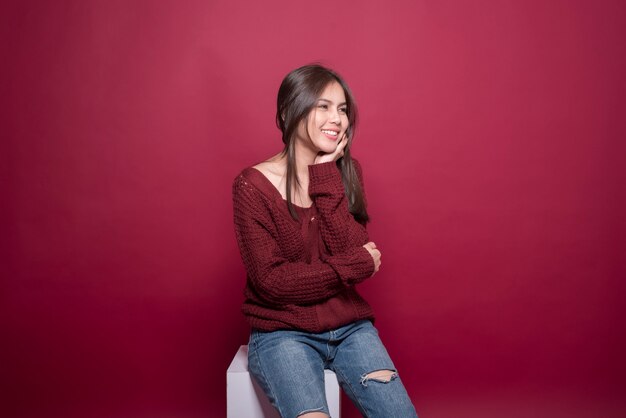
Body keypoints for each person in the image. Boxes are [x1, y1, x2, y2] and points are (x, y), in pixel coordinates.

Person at [232, 64, 418, 418]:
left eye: (343, 109)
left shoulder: (344, 173)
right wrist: (355, 265)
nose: (338, 119)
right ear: (289, 111)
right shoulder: (251, 186)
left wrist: (324, 177)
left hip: (350, 329)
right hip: (282, 334)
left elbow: (351, 247)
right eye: (323, 106)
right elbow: (273, 282)